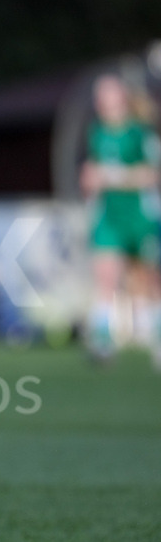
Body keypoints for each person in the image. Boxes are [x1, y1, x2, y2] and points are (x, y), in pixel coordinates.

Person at [80, 75, 161, 362]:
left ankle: (155, 338)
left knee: (145, 279)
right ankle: (102, 341)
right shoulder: (95, 133)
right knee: (106, 278)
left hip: (138, 215)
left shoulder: (140, 134)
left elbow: (152, 174)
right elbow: (89, 173)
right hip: (108, 216)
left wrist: (114, 177)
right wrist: (90, 179)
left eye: (108, 94)